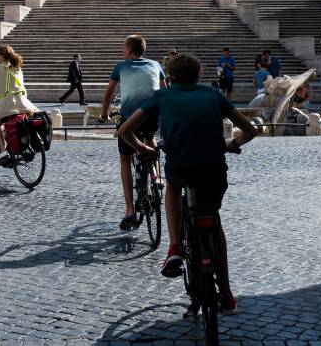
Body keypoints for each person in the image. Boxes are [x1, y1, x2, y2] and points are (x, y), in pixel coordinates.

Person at [118, 53, 259, 314]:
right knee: (213, 220)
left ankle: (174, 246)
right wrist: (231, 144)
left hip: (180, 165)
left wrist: (142, 149)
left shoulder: (162, 96)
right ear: (198, 74)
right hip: (213, 166)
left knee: (172, 186)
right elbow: (251, 130)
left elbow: (124, 130)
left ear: (169, 77)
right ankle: (227, 294)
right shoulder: (213, 94)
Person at [100, 35, 167, 232]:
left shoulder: (121, 66)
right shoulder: (156, 64)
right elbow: (164, 90)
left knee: (125, 159)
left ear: (128, 51)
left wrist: (104, 113)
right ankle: (156, 176)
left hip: (130, 117)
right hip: (152, 114)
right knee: (150, 136)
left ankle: (130, 210)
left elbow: (108, 94)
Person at [0, 45, 39, 166]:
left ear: (2, 57)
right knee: (21, 122)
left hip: (7, 105)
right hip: (24, 104)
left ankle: (4, 153)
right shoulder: (18, 69)